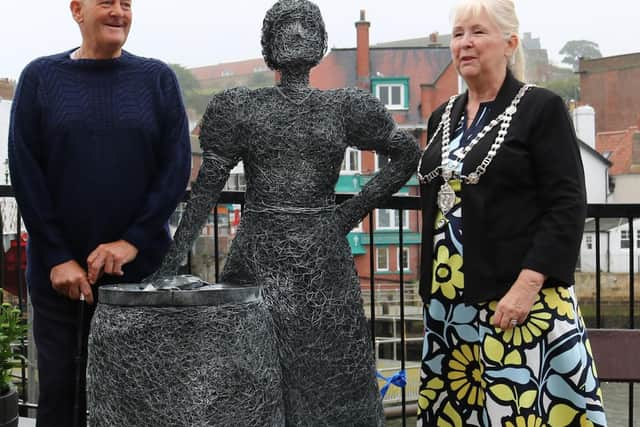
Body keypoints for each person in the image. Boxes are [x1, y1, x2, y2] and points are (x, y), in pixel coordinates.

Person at [150, 0, 419, 424]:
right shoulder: (242, 108)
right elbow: (206, 191)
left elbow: (406, 154)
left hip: (322, 262)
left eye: (306, 26)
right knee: (249, 373)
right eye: (285, 27)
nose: (295, 33)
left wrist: (345, 217)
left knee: (332, 378)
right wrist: (169, 264)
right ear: (269, 44)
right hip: (260, 257)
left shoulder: (344, 107)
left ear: (320, 42)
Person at [416, 0, 606, 425]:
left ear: (509, 43)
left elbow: (567, 203)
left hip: (516, 302)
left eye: (478, 32)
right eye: (458, 33)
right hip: (449, 306)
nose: (465, 43)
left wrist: (528, 285)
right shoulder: (439, 117)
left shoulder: (541, 108)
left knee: (521, 412)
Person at [8, 0, 191, 424]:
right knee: (63, 397)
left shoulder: (156, 78)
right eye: (106, 2)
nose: (119, 12)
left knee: (141, 398)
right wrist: (56, 256)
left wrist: (131, 241)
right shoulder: (41, 77)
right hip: (61, 281)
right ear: (76, 10)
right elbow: (25, 168)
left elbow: (175, 166)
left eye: (126, 4)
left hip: (140, 277)